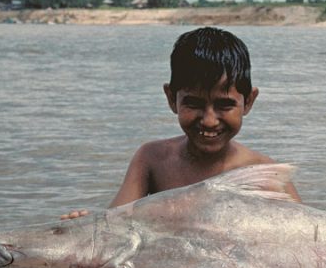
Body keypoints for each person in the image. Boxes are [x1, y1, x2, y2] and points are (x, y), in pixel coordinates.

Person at [62, 27, 299, 219]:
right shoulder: (152, 158)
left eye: (224, 105)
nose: (209, 120)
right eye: (194, 104)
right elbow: (114, 223)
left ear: (248, 101)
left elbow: (310, 236)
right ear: (170, 98)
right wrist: (86, 225)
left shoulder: (264, 172)